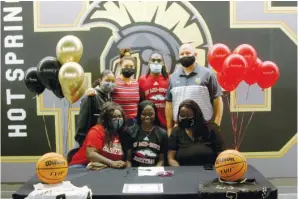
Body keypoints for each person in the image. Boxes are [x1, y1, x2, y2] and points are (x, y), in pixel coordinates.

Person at [165, 43, 223, 136]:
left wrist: (216, 125)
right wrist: (169, 128)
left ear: (195, 54)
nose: (185, 56)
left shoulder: (207, 74)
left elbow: (217, 100)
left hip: (204, 128)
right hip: (180, 129)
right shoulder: (173, 77)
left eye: (188, 53)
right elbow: (169, 103)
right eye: (182, 54)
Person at [86, 49, 140, 126]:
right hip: (118, 121)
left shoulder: (136, 83)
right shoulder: (114, 82)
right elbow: (101, 89)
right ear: (121, 66)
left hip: (134, 122)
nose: (129, 68)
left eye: (131, 66)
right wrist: (91, 89)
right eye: (126, 66)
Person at [70, 102, 131, 168]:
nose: (117, 119)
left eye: (119, 116)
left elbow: (127, 158)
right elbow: (90, 154)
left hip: (105, 169)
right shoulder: (97, 131)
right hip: (82, 165)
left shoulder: (122, 134)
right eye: (113, 117)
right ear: (106, 119)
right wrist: (112, 163)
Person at [168, 99, 225, 166]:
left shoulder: (211, 129)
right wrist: (178, 169)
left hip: (208, 172)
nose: (185, 118)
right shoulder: (176, 132)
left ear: (197, 115)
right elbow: (170, 158)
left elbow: (222, 156)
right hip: (184, 172)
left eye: (189, 116)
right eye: (182, 116)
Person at [75, 70, 116, 146]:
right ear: (100, 81)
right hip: (89, 142)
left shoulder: (109, 98)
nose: (110, 83)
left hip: (102, 141)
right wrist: (82, 142)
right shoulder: (91, 97)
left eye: (113, 81)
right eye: (107, 80)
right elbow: (82, 121)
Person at [127, 100, 168, 167]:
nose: (147, 117)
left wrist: (155, 172)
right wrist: (129, 173)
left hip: (154, 170)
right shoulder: (130, 131)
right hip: (135, 170)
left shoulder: (162, 133)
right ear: (139, 114)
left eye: (151, 114)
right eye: (144, 114)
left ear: (155, 114)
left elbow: (161, 160)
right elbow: (128, 160)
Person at [139, 52, 169, 129]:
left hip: (166, 123)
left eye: (159, 60)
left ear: (163, 63)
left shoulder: (169, 79)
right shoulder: (142, 80)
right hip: (148, 123)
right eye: (153, 60)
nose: (156, 62)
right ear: (149, 63)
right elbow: (141, 102)